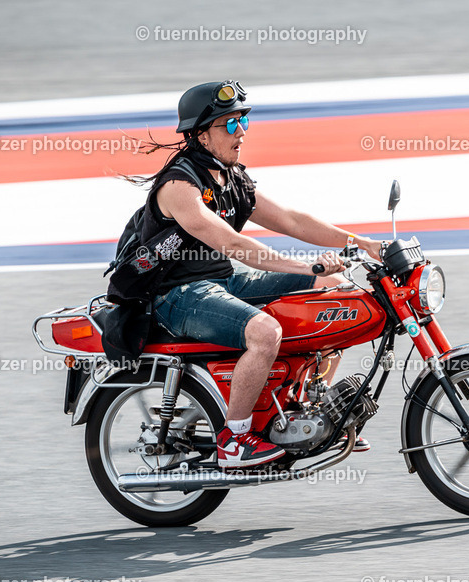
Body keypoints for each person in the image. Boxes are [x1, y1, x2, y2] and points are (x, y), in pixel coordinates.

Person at [132, 80, 382, 468]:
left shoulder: (230, 178)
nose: (242, 133)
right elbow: (234, 245)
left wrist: (361, 241)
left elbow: (290, 220)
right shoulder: (179, 186)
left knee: (336, 292)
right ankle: (233, 438)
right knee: (265, 331)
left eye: (243, 122)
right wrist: (305, 265)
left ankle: (314, 409)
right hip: (175, 294)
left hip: (221, 282)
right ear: (201, 134)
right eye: (230, 125)